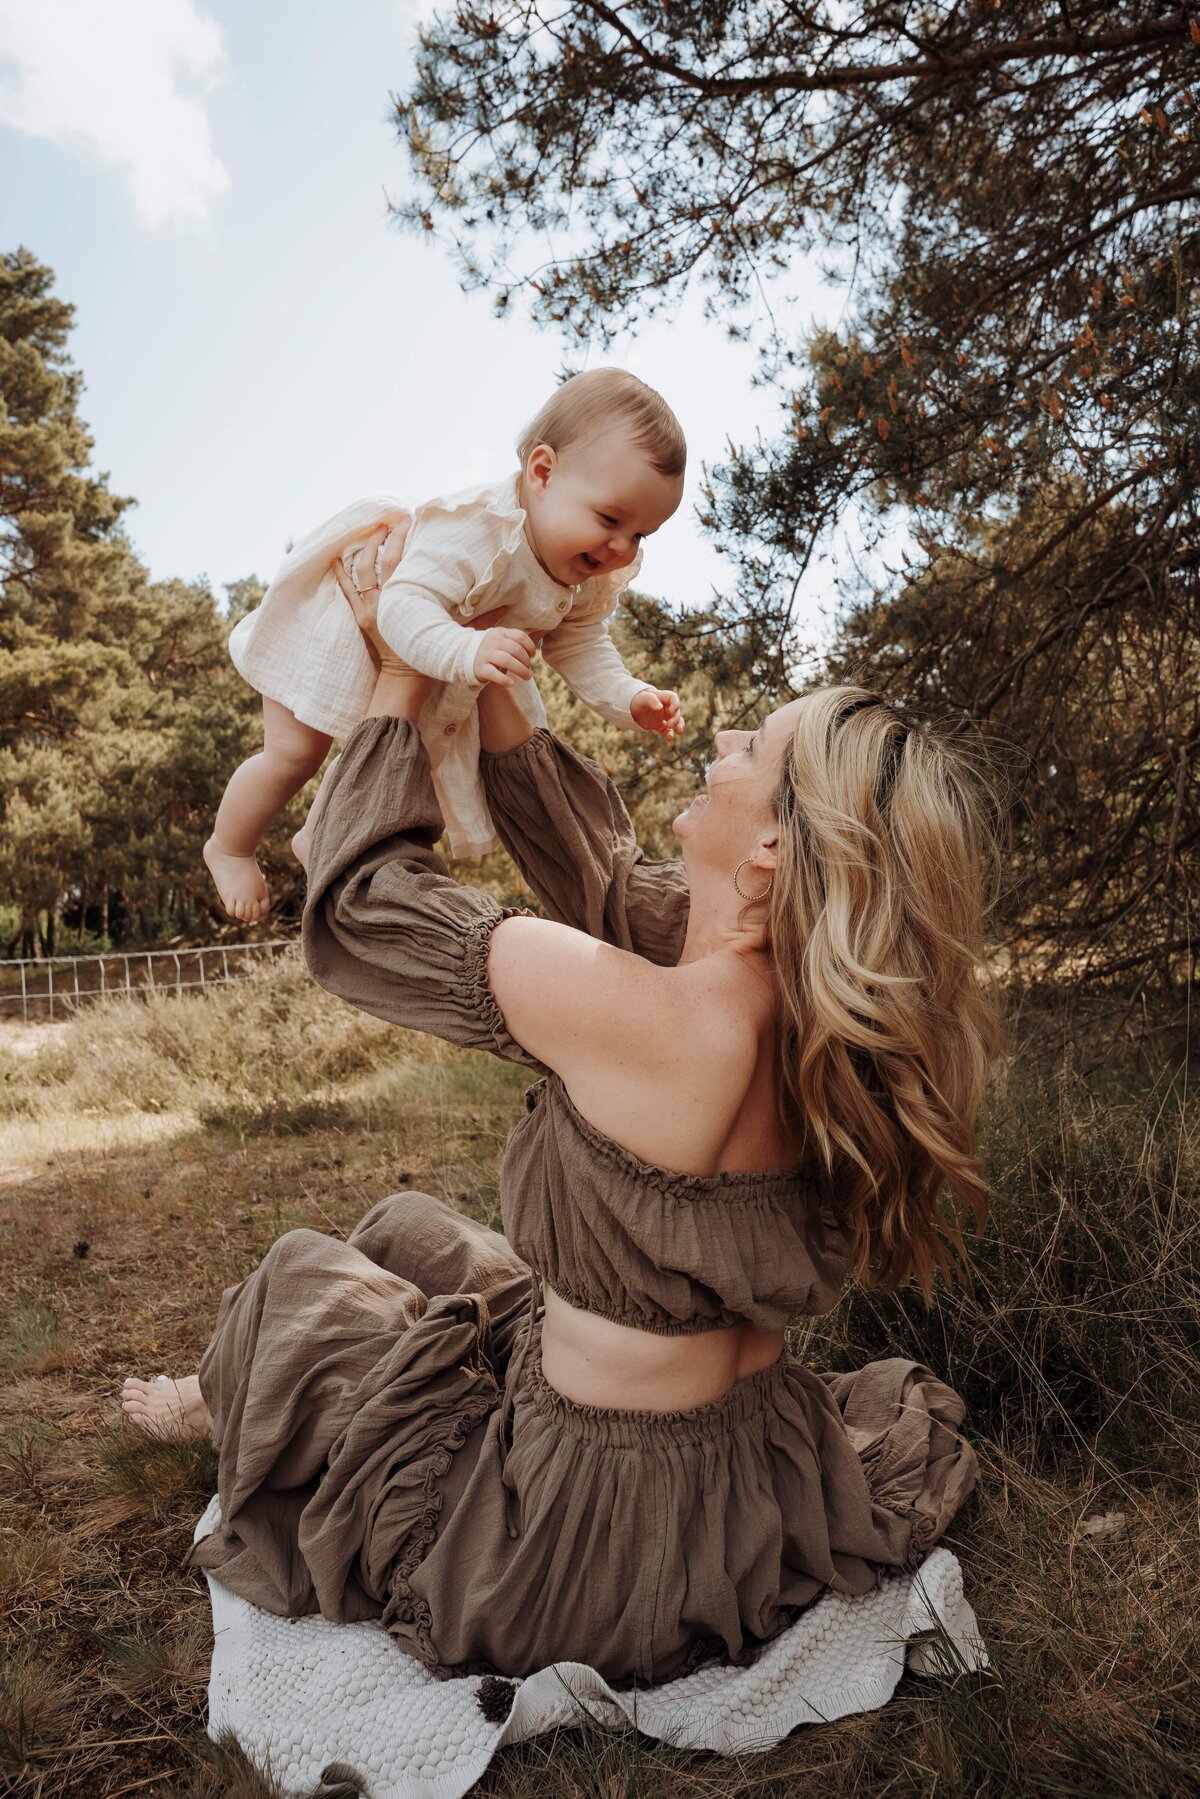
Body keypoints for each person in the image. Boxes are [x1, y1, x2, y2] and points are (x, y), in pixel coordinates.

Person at [124, 563, 1002, 1688]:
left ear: (774, 851)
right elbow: (597, 872)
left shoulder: (649, 1014)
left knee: (299, 1277)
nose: (724, 732)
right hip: (746, 1478)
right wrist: (486, 670)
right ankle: (236, 1383)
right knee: (407, 1224)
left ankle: (231, 1394)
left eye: (754, 747)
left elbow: (361, 905)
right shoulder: (812, 1008)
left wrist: (396, 673)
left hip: (586, 1535)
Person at [204, 368, 687, 923]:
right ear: (543, 472)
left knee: (402, 755)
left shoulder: (579, 572)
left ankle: (322, 832)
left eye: (641, 534)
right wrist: (468, 651)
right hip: (340, 631)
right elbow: (402, 603)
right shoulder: (479, 527)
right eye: (610, 519)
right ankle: (230, 845)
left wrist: (630, 696)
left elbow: (580, 644)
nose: (621, 547)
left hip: (437, 670)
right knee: (294, 753)